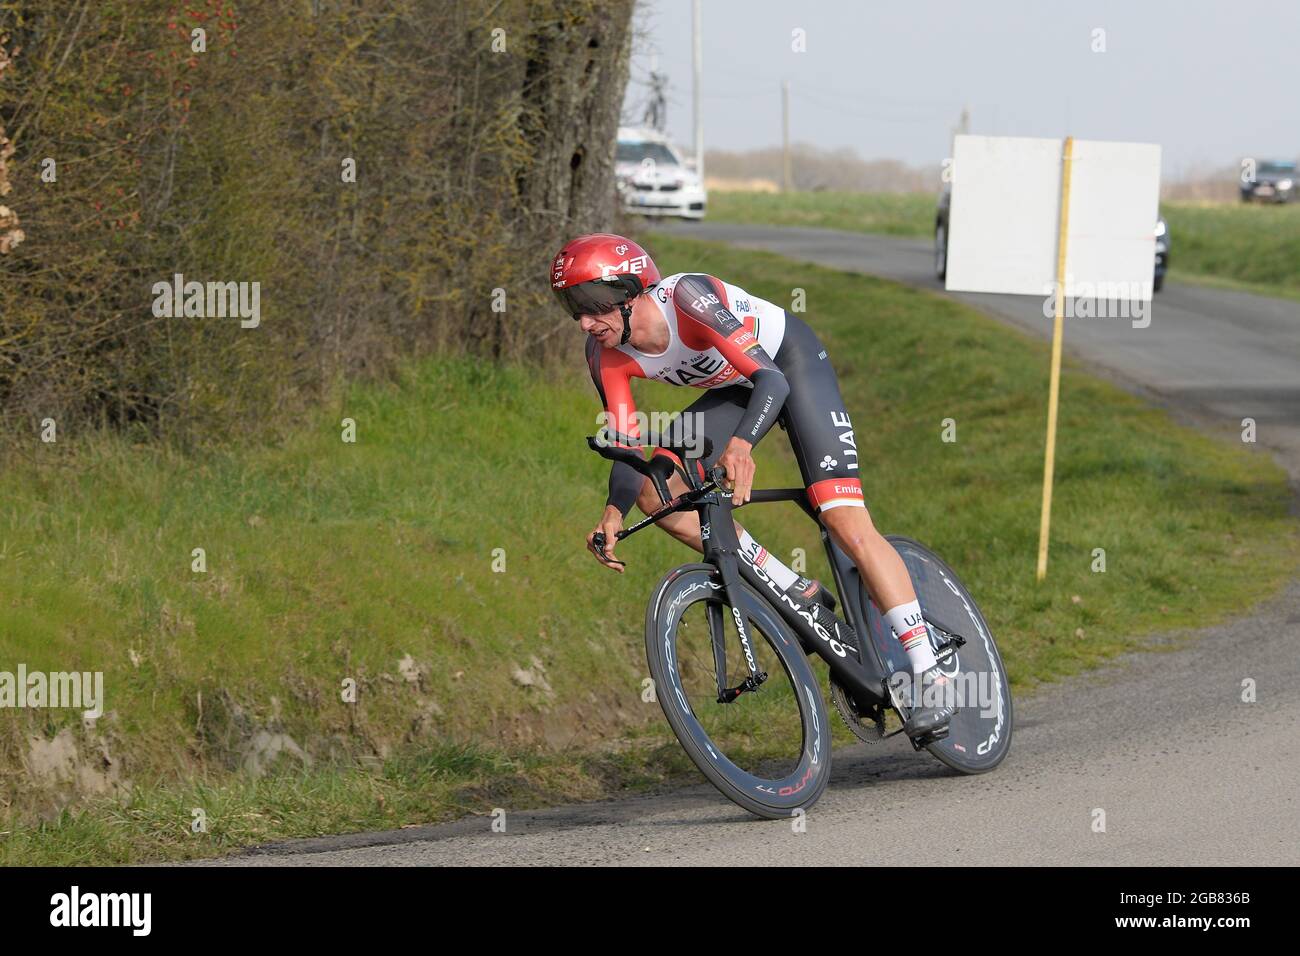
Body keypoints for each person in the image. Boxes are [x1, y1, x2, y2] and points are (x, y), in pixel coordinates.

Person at [551, 233, 954, 740]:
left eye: (592, 306)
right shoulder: (604, 354)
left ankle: (931, 672)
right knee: (657, 493)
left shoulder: (687, 299)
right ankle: (792, 585)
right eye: (574, 308)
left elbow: (771, 379)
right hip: (736, 389)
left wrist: (741, 446)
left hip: (788, 366)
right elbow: (628, 448)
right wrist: (614, 512)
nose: (585, 322)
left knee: (842, 517)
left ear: (632, 289)